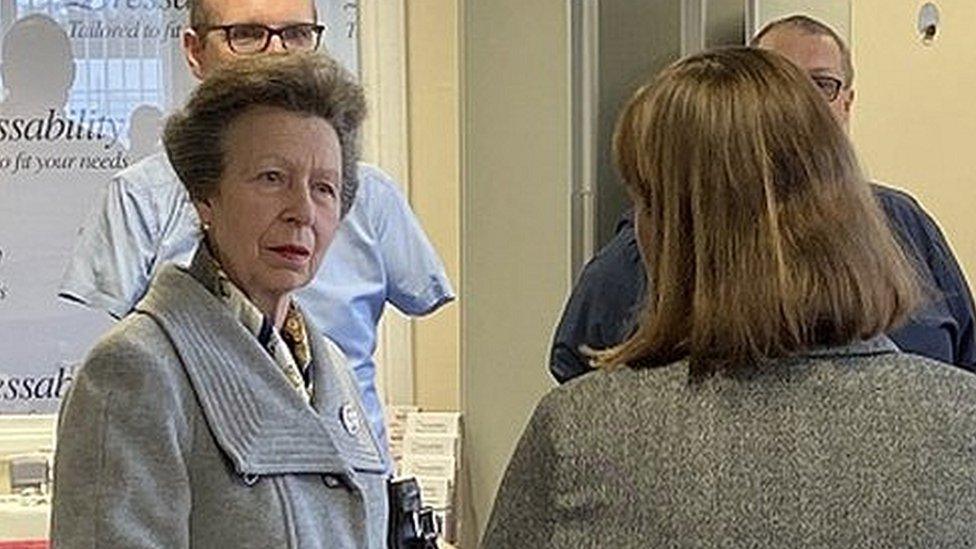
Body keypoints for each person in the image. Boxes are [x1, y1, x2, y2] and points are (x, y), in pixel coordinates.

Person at [484, 46, 976, 548]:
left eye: (644, 203)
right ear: (850, 208)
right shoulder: (962, 420)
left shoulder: (580, 434)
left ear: (675, 230)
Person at [58, 0, 455, 461]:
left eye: (296, 35)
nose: (276, 55)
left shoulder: (370, 197)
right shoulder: (141, 201)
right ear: (194, 50)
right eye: (247, 34)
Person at [52, 53, 389, 548]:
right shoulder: (136, 370)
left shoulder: (331, 367)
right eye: (272, 177)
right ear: (205, 195)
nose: (302, 211)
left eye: (324, 188)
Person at [549, 14, 976, 383]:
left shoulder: (903, 223)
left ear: (846, 103)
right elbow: (579, 363)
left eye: (822, 85)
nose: (800, 103)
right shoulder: (660, 234)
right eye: (778, 84)